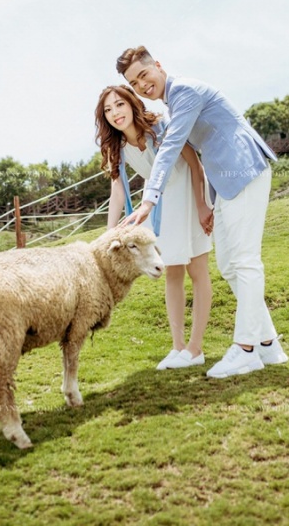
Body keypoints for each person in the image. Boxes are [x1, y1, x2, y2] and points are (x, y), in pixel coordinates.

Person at [115, 46, 288, 379]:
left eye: (144, 75)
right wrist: (204, 201)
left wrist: (149, 200)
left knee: (245, 261)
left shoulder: (185, 92)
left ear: (158, 66)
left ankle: (246, 349)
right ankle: (268, 343)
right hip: (225, 184)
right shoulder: (173, 101)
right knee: (229, 265)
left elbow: (171, 147)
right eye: (134, 83)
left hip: (244, 170)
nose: (142, 85)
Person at [95, 84, 213, 370]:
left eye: (119, 105)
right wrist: (109, 233)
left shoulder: (159, 127)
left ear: (131, 103)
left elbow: (194, 165)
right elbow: (117, 191)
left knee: (197, 268)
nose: (115, 113)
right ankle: (178, 347)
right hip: (159, 199)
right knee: (171, 269)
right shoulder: (116, 147)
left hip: (187, 189)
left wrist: (201, 204)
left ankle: (195, 348)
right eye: (108, 110)